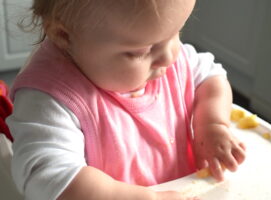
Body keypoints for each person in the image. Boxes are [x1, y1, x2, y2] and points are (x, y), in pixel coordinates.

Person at [7, 0, 246, 199]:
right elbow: (49, 178)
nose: (169, 56)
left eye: (176, 33)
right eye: (140, 51)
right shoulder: (50, 98)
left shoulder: (167, 55)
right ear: (64, 35)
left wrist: (212, 124)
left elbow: (210, 76)